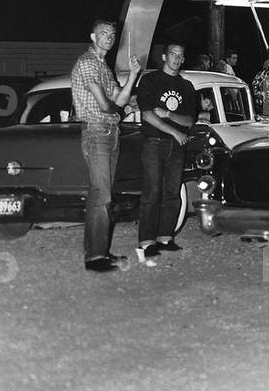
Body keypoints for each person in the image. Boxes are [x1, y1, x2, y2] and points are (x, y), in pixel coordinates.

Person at [70, 18, 141, 273]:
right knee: (102, 196)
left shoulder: (104, 67)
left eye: (112, 34)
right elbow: (106, 104)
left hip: (110, 133)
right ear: (93, 37)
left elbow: (121, 97)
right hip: (97, 131)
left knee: (100, 195)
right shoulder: (88, 63)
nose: (109, 37)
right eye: (103, 33)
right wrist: (119, 110)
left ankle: (97, 253)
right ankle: (96, 259)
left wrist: (133, 75)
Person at [136, 42, 195, 260]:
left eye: (180, 56)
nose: (177, 59)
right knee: (152, 192)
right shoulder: (150, 80)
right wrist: (174, 132)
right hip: (154, 143)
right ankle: (146, 242)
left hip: (177, 147)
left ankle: (165, 238)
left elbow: (189, 120)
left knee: (172, 194)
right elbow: (148, 115)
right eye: (173, 54)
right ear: (164, 57)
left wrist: (169, 115)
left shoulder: (187, 86)